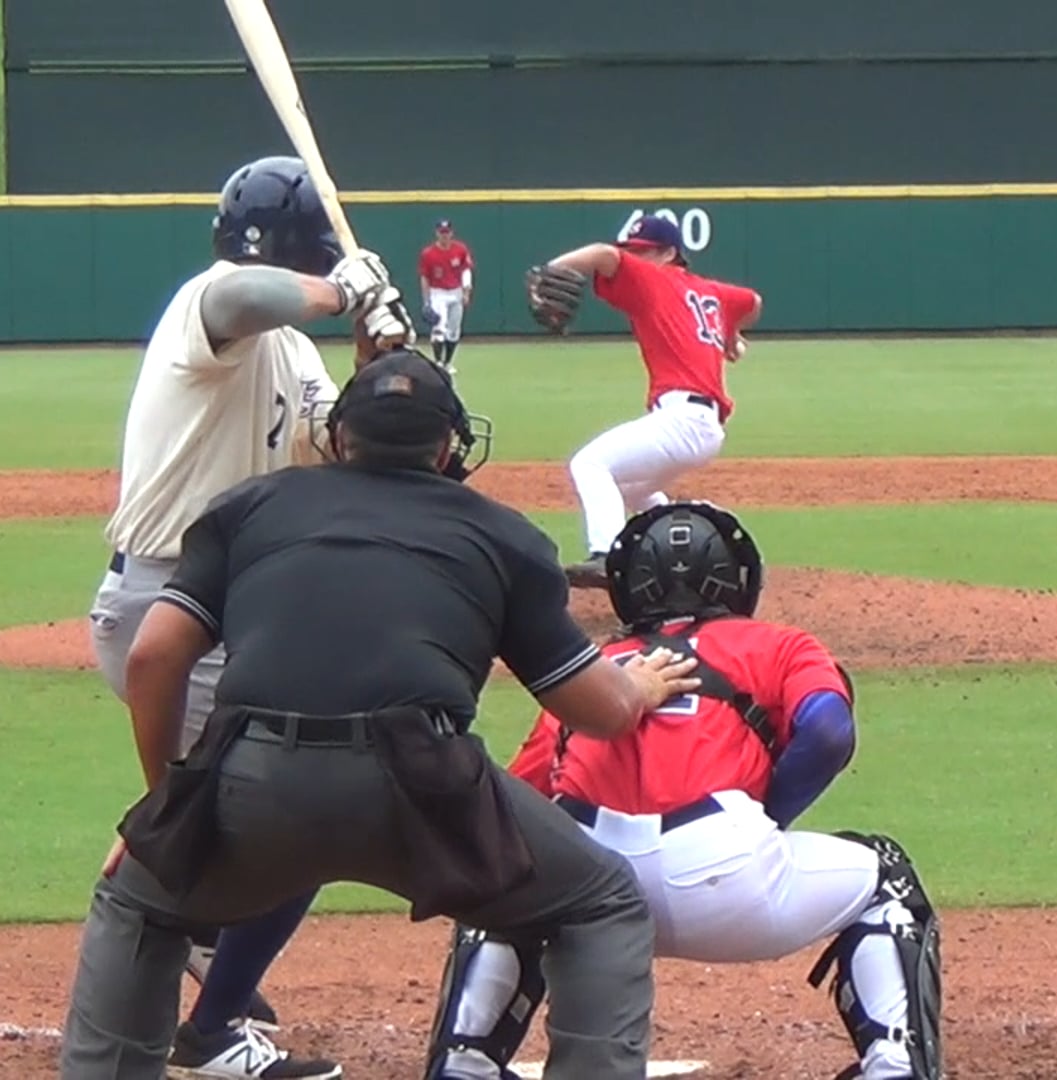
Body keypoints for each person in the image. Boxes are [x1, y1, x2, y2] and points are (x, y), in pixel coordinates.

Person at [62, 346, 701, 1080]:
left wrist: (165, 809)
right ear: (447, 446)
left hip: (253, 781)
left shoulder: (252, 506)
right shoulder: (501, 533)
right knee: (601, 905)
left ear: (339, 437)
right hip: (427, 793)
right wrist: (640, 687)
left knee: (139, 904)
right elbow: (598, 711)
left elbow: (152, 658)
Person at [84, 153, 417, 1078]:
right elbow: (246, 296)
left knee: (291, 807)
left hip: (238, 616)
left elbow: (343, 449)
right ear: (305, 252)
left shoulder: (300, 350)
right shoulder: (211, 304)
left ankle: (199, 922)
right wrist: (340, 285)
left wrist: (373, 354)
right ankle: (207, 1002)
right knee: (305, 808)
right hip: (171, 607)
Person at [424, 502, 944, 1080]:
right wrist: (766, 814)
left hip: (586, 891)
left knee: (508, 875)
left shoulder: (594, 669)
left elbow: (519, 798)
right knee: (887, 875)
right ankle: (895, 1066)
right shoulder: (778, 644)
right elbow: (827, 729)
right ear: (738, 576)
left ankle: (463, 1063)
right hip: (728, 879)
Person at [522, 215, 763, 588]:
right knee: (633, 492)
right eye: (632, 251)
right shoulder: (710, 290)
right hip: (700, 425)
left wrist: (551, 269)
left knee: (589, 464)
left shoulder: (655, 278)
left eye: (643, 251)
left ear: (670, 252)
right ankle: (694, 552)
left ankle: (609, 555)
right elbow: (752, 301)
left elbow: (603, 254)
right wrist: (730, 333)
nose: (635, 258)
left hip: (683, 421)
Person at [419, 219, 474, 371]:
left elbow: (466, 271)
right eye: (442, 232)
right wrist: (426, 300)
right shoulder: (428, 253)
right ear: (437, 233)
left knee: (454, 329)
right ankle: (438, 362)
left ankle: (448, 363)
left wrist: (466, 291)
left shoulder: (460, 249)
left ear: (452, 233)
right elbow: (425, 277)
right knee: (439, 327)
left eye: (447, 232)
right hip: (438, 293)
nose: (445, 236)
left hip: (456, 292)